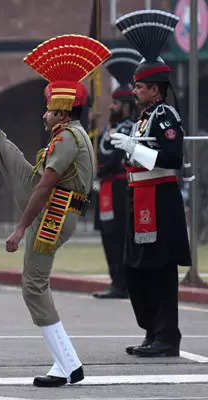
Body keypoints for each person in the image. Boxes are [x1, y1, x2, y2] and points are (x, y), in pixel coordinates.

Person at [0, 34, 110, 387]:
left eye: (48, 108)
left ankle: (68, 364)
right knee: (2, 145)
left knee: (33, 286)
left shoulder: (66, 139)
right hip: (56, 208)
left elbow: (45, 186)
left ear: (61, 110)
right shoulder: (73, 135)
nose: (43, 114)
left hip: (54, 213)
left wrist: (19, 228)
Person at [113, 10, 190, 358]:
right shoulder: (143, 116)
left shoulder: (166, 115)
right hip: (139, 196)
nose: (135, 90)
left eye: (140, 86)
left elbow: (172, 157)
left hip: (159, 198)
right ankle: (151, 329)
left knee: (160, 270)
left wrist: (135, 149)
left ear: (155, 89)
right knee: (135, 269)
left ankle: (166, 337)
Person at [92, 48, 141, 299]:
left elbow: (112, 157)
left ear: (125, 105)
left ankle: (123, 283)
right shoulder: (110, 129)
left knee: (120, 236)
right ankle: (116, 281)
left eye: (115, 103)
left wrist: (105, 158)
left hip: (122, 189)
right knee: (109, 236)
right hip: (108, 188)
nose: (111, 106)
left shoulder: (130, 127)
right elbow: (102, 156)